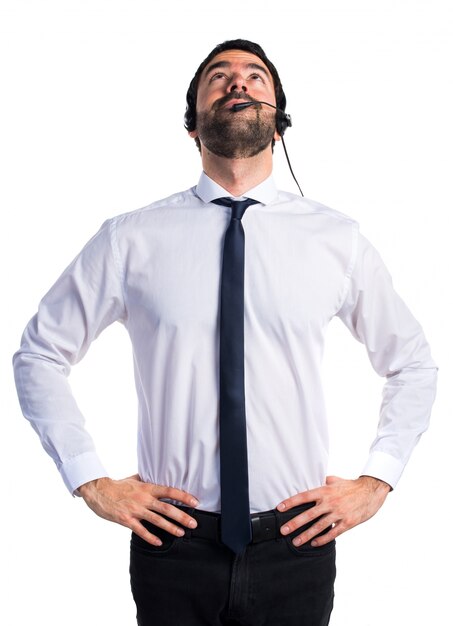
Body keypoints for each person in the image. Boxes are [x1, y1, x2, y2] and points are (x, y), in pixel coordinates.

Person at [13, 39, 437, 626]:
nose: (238, 82)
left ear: (280, 123)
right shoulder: (129, 239)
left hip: (297, 542)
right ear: (193, 126)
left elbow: (412, 361)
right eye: (219, 76)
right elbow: (39, 353)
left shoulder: (336, 240)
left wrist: (378, 479)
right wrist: (89, 477)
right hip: (173, 544)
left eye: (255, 76)